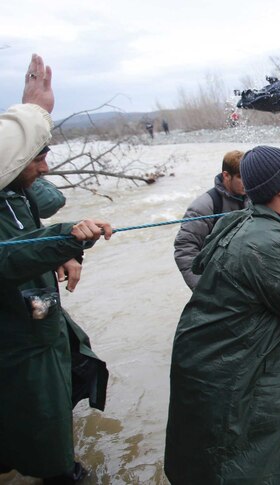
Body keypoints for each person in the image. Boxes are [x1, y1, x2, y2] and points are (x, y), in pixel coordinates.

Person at [164, 146, 280, 484]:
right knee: (272, 454)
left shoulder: (246, 220)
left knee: (239, 449)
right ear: (279, 189)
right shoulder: (264, 242)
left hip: (216, 354)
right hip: (238, 363)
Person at [1, 54, 113, 484]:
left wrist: (65, 251)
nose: (46, 167)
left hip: (39, 326)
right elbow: (8, 255)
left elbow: (47, 205)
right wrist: (66, 239)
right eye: (37, 158)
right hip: (18, 346)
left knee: (46, 410)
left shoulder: (16, 193)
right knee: (45, 442)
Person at [173, 150, 250, 290]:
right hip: (218, 283)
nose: (247, 182)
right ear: (226, 175)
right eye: (241, 177)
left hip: (247, 280)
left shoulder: (253, 197)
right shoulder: (203, 206)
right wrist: (203, 290)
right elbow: (184, 249)